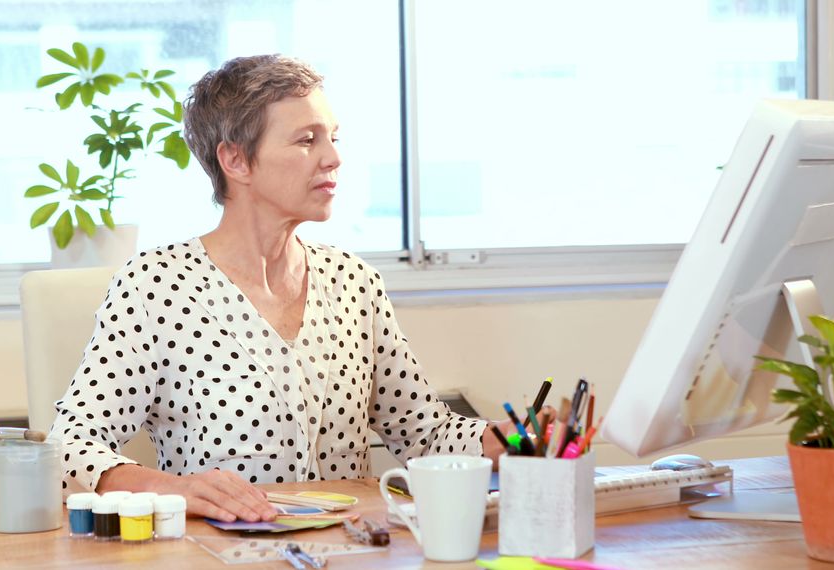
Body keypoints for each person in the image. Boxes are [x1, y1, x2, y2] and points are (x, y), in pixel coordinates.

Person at [48, 54, 523, 523]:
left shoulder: (354, 281)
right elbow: (69, 448)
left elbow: (424, 433)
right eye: (306, 140)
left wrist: (515, 437)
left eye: (333, 138)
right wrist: (178, 489)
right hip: (219, 555)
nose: (334, 157)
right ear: (235, 159)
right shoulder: (155, 286)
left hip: (351, 552)